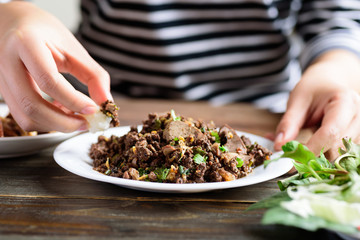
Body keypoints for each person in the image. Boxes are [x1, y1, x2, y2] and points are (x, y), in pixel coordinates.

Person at [1, 0, 360, 159]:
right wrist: (10, 13)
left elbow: (336, 19)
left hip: (269, 121)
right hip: (90, 117)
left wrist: (338, 67)